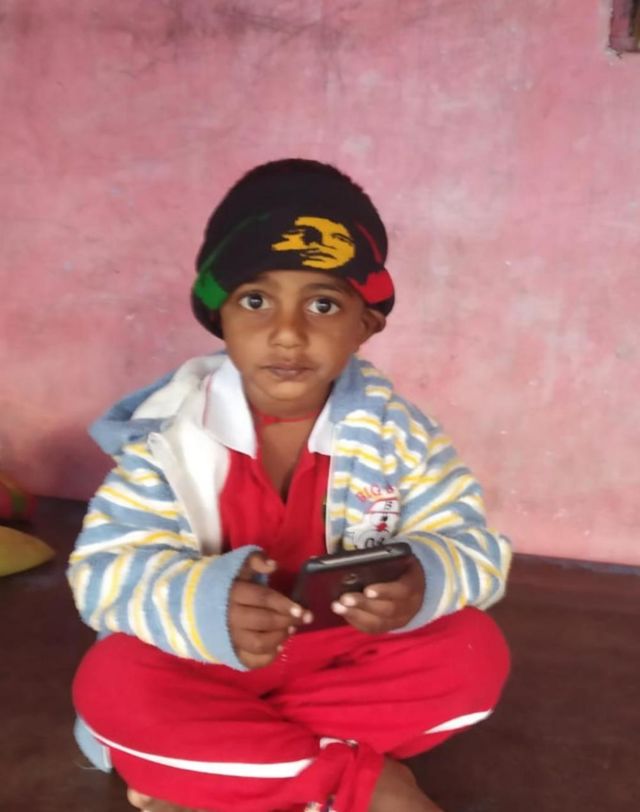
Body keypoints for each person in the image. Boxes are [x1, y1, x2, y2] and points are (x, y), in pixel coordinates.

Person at [68, 159, 512, 812]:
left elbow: (474, 546)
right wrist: (203, 606)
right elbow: (102, 574)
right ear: (219, 315)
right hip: (207, 663)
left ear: (366, 322)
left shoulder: (400, 434)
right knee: (113, 683)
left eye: (323, 304)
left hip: (341, 658)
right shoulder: (166, 437)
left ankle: (227, 769)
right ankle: (360, 782)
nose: (287, 333)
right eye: (256, 300)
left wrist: (425, 580)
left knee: (474, 653)